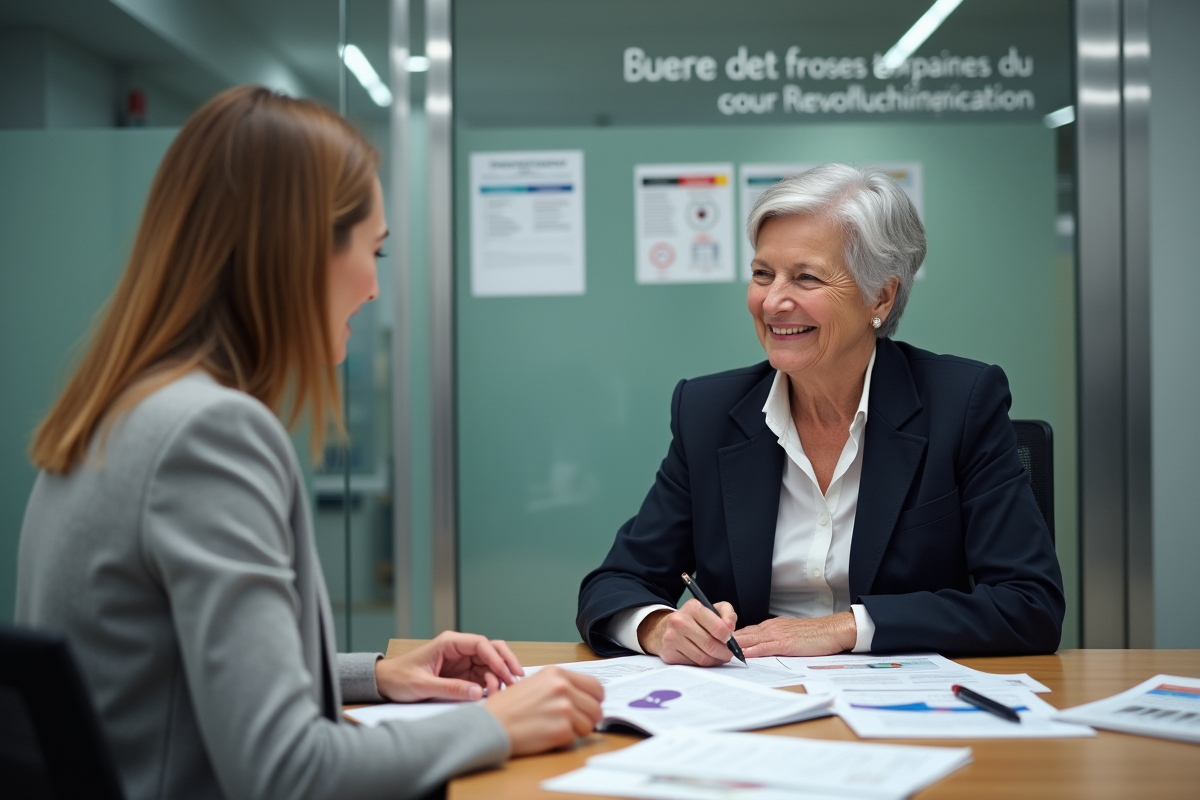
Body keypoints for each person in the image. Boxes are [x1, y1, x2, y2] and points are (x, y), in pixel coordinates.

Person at [15, 86, 602, 800]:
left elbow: (172, 670)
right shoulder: (210, 433)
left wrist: (374, 675)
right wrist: (499, 725)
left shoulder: (121, 410)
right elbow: (286, 774)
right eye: (374, 252)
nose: (376, 291)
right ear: (297, 253)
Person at [577, 163, 1065, 665]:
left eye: (806, 277)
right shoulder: (709, 413)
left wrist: (846, 628)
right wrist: (660, 628)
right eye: (762, 274)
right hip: (756, 703)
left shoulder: (961, 404)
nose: (773, 301)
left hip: (906, 709)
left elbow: (1029, 605)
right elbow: (614, 584)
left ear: (881, 295)